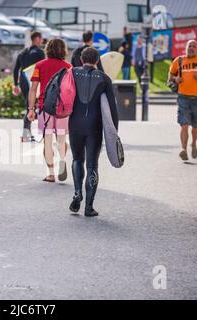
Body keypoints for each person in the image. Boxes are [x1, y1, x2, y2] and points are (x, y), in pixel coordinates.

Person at [68, 47, 118, 217]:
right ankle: (89, 207)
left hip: (74, 123)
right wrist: (114, 134)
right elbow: (112, 109)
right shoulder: (104, 79)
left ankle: (77, 193)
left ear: (82, 59)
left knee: (76, 159)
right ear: (97, 60)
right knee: (92, 165)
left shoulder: (72, 73)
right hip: (94, 126)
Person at [27, 39, 71, 183]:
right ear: (63, 50)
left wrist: (31, 109)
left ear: (48, 49)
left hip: (45, 107)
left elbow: (33, 89)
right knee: (61, 139)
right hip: (63, 108)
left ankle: (51, 173)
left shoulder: (40, 65)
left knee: (47, 141)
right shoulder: (68, 67)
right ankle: (62, 160)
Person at [169, 40, 197, 161]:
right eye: (189, 46)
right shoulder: (179, 60)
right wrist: (175, 78)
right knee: (184, 124)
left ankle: (193, 144)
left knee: (196, 125)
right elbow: (170, 76)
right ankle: (183, 149)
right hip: (183, 97)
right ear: (185, 48)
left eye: (194, 46)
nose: (191, 48)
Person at [13, 31, 45, 142]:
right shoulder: (40, 53)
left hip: (23, 80)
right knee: (30, 107)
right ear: (37, 39)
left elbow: (16, 69)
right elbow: (43, 68)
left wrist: (15, 85)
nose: (41, 41)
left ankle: (27, 133)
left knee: (28, 105)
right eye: (41, 39)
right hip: (33, 80)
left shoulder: (23, 52)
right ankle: (25, 133)